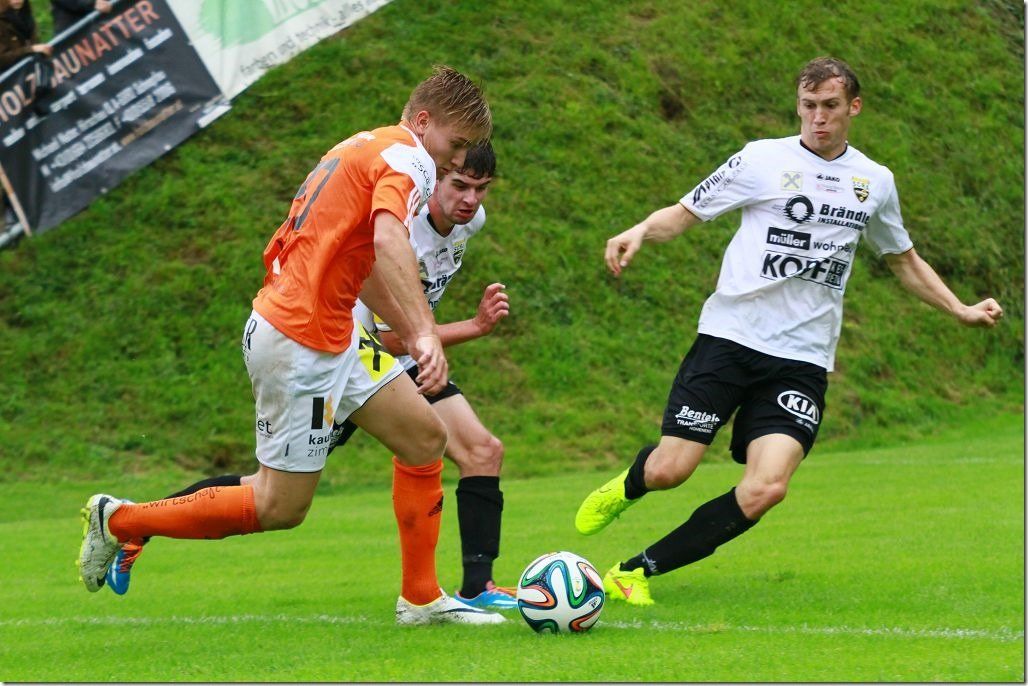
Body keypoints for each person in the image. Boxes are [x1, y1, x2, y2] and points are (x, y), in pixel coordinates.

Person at [78, 65, 506, 626]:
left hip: (333, 330)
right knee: (278, 506)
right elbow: (388, 238)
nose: (456, 160)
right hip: (301, 340)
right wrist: (425, 332)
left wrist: (414, 325)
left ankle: (421, 599)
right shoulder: (410, 160)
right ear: (424, 122)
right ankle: (121, 521)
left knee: (425, 438)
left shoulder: (365, 146)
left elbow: (364, 268)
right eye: (456, 144)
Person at [574, 56, 1004, 607]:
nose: (818, 118)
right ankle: (632, 483)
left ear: (853, 107)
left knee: (767, 488)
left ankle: (634, 571)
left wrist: (959, 308)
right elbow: (685, 212)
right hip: (730, 338)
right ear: (798, 106)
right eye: (808, 106)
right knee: (670, 470)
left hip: (802, 359)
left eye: (830, 106)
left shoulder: (875, 182)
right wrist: (639, 230)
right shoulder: (761, 159)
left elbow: (903, 259)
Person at [342, 140, 513, 610]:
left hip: (408, 357)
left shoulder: (469, 222)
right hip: (353, 360)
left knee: (482, 451)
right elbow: (389, 337)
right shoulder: (403, 231)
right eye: (459, 185)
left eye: (481, 188)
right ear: (433, 179)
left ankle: (478, 588)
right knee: (278, 499)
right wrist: (474, 327)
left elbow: (410, 336)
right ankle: (152, 519)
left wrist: (430, 341)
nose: (471, 199)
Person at [0, 0, 51, 72]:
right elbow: (2, 59)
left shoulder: (26, 15)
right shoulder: (2, 23)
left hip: (34, 70)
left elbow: (36, 43)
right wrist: (30, 50)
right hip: (12, 75)